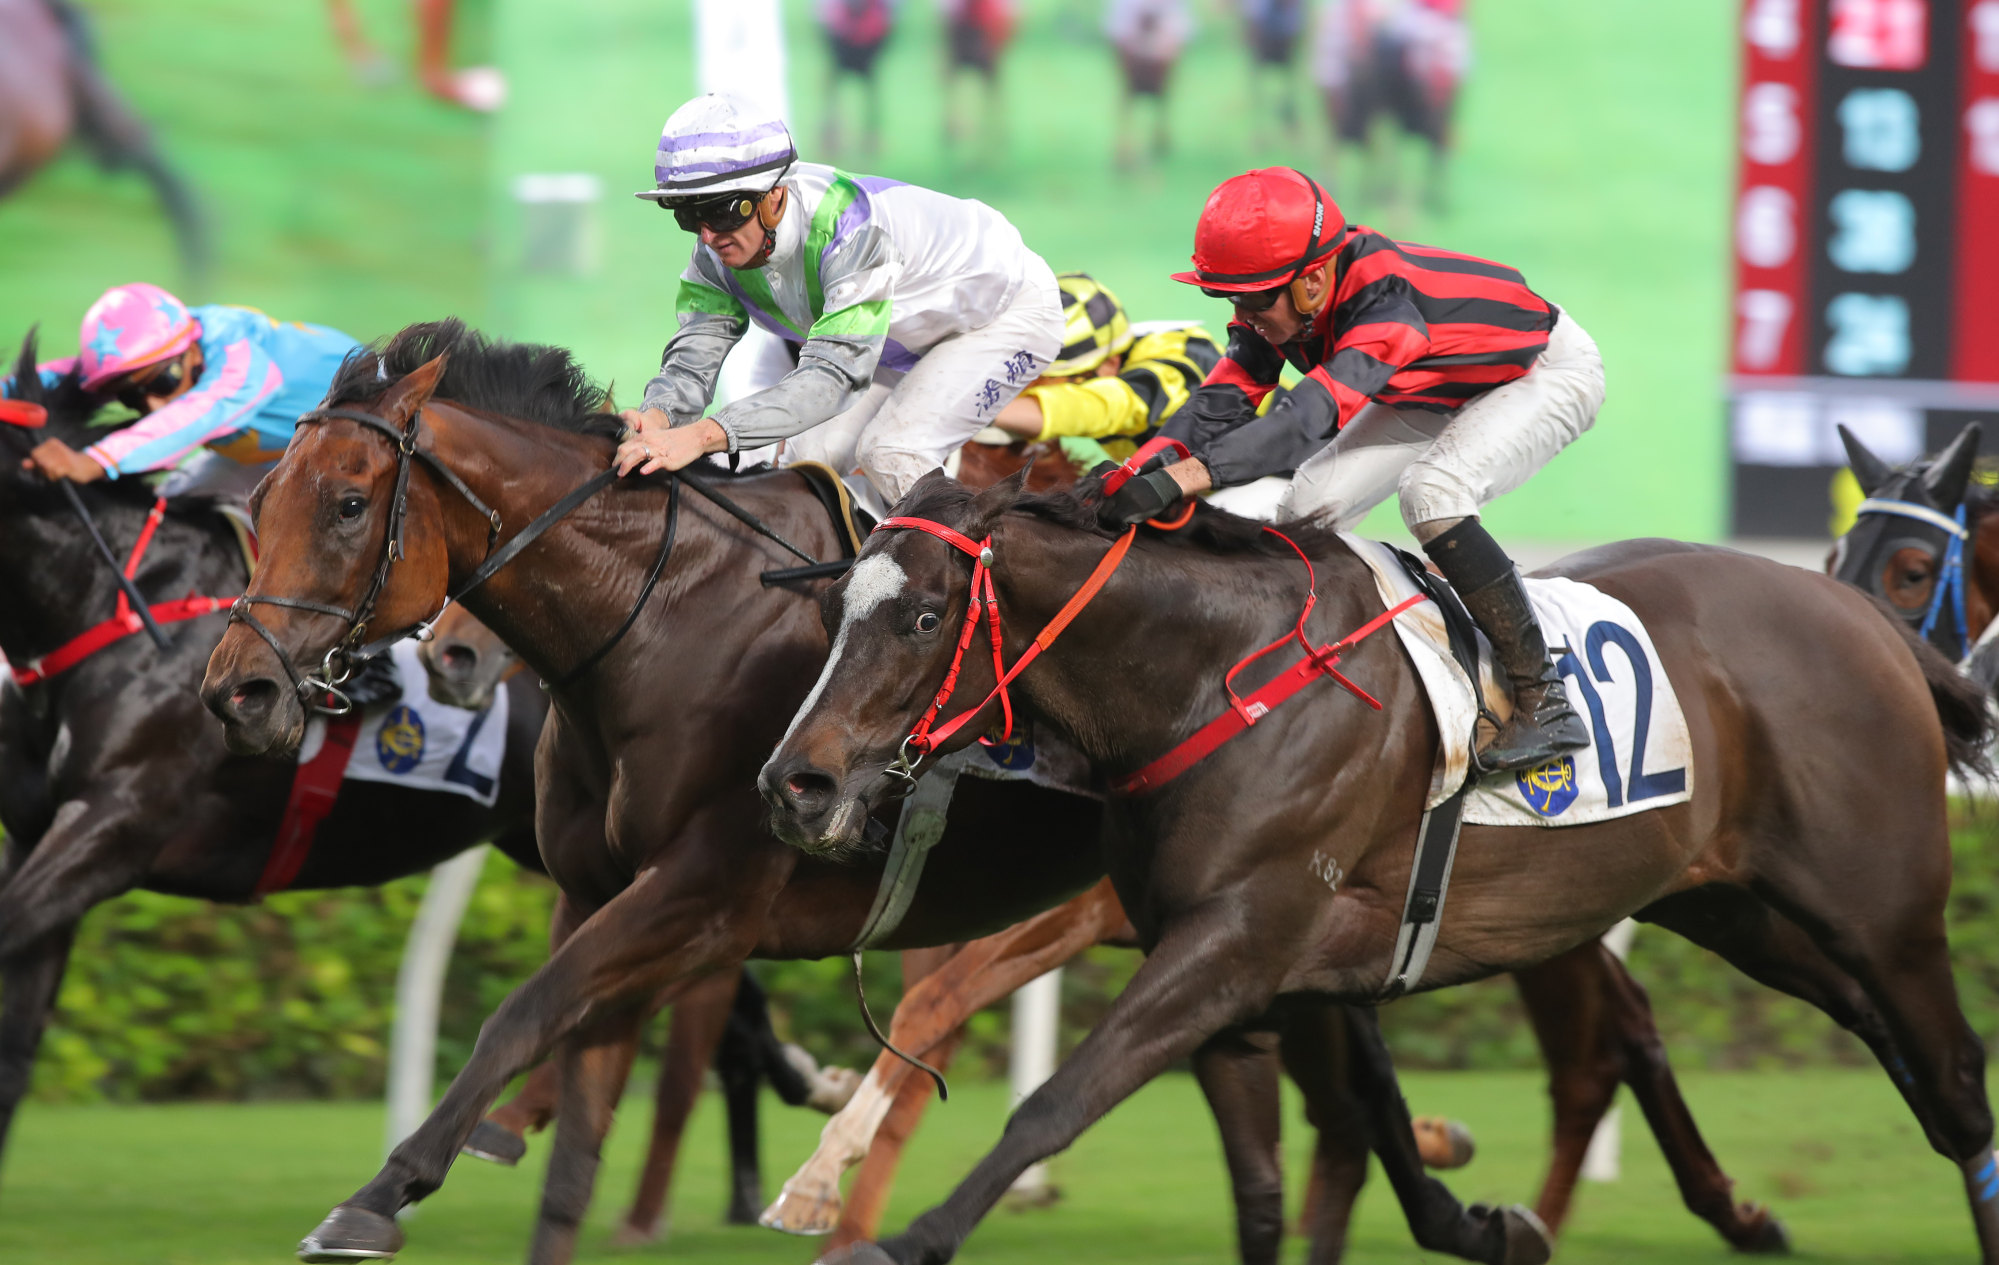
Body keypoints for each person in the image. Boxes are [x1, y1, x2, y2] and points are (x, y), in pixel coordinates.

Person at [1107, 166, 1602, 773]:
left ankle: (1545, 699)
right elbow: (1221, 401)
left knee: (1433, 494)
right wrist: (1132, 471)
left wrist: (1182, 479)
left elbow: (1300, 425)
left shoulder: (1387, 304)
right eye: (1227, 296)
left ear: (1313, 280)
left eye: (1255, 297)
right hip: (1437, 384)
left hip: (1543, 373)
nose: (1242, 312)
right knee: (1307, 509)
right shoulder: (1284, 301)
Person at [615, 93, 1063, 512]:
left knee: (891, 452)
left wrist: (703, 436)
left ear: (775, 196)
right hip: (895, 337)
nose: (708, 235)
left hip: (1005, 315)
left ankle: (995, 581)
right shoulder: (713, 256)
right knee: (805, 465)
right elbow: (693, 360)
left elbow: (831, 381)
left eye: (722, 212)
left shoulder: (850, 230)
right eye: (689, 215)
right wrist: (660, 416)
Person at [9, 282, 360, 498]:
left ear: (190, 350)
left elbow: (193, 416)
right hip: (281, 457)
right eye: (132, 397)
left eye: (163, 381)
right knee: (169, 511)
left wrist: (94, 460)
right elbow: (65, 374)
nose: (153, 406)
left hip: (377, 437)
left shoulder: (241, 361)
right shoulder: (167, 345)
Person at [983, 270, 1219, 468]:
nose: (1026, 392)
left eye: (1043, 383)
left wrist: (975, 410)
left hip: (1247, 481)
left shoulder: (1179, 360)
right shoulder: (1102, 353)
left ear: (1108, 365)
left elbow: (1109, 406)